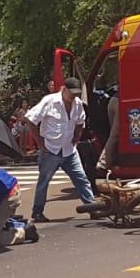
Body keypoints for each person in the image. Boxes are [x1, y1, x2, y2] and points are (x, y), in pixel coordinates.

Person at [24, 77, 97, 223]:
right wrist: (40, 143)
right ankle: (37, 212)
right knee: (44, 182)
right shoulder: (49, 101)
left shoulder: (77, 104)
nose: (73, 97)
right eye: (71, 93)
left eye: (76, 94)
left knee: (82, 179)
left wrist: (76, 139)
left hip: (69, 150)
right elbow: (30, 119)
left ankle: (91, 207)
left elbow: (80, 122)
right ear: (64, 89)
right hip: (51, 149)